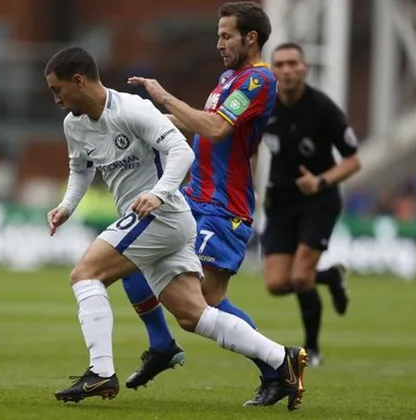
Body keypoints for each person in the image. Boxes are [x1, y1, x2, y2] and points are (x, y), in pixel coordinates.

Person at [45, 46, 308, 411]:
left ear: (79, 81)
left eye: (57, 90)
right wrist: (66, 206)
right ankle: (283, 358)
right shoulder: (74, 124)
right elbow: (80, 168)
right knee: (193, 315)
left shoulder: (131, 109)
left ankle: (101, 371)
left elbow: (181, 151)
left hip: (161, 214)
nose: (56, 99)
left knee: (85, 274)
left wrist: (158, 193)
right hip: (157, 219)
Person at [125, 1, 296, 407]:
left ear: (250, 37)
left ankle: (279, 368)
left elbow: (216, 127)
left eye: (225, 35)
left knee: (199, 305)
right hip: (194, 199)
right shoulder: (229, 77)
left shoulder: (258, 81)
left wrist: (163, 96)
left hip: (222, 208)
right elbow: (196, 121)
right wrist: (136, 118)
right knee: (131, 255)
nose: (218, 43)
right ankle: (165, 345)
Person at [259, 42, 361, 366]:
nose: (287, 70)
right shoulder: (265, 105)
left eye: (293, 63)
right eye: (281, 64)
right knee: (276, 284)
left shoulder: (322, 108)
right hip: (280, 201)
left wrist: (321, 181)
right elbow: (248, 147)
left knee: (302, 277)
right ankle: (330, 277)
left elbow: (353, 160)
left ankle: (312, 349)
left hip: (318, 199)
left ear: (305, 69)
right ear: (272, 70)